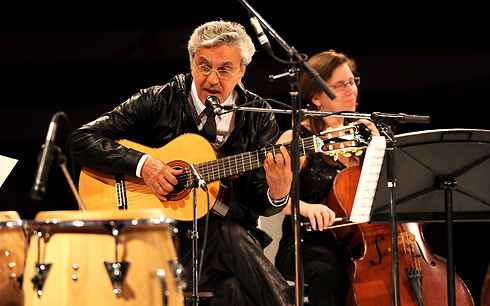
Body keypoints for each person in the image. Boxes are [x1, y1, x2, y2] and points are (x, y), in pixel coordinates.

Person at [70, 20, 295, 305]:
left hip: (228, 248)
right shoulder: (159, 100)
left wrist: (278, 193)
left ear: (242, 71)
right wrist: (143, 164)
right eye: (204, 66)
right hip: (160, 241)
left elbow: (260, 202)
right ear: (191, 63)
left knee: (235, 285)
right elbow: (80, 139)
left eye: (224, 69)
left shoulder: (258, 115)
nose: (212, 79)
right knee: (229, 238)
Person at [274, 49, 379, 306]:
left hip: (360, 243)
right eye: (340, 85)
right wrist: (307, 207)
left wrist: (378, 151)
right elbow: (270, 199)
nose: (350, 90)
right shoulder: (296, 139)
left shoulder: (363, 137)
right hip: (304, 244)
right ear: (316, 97)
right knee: (329, 272)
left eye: (352, 81)